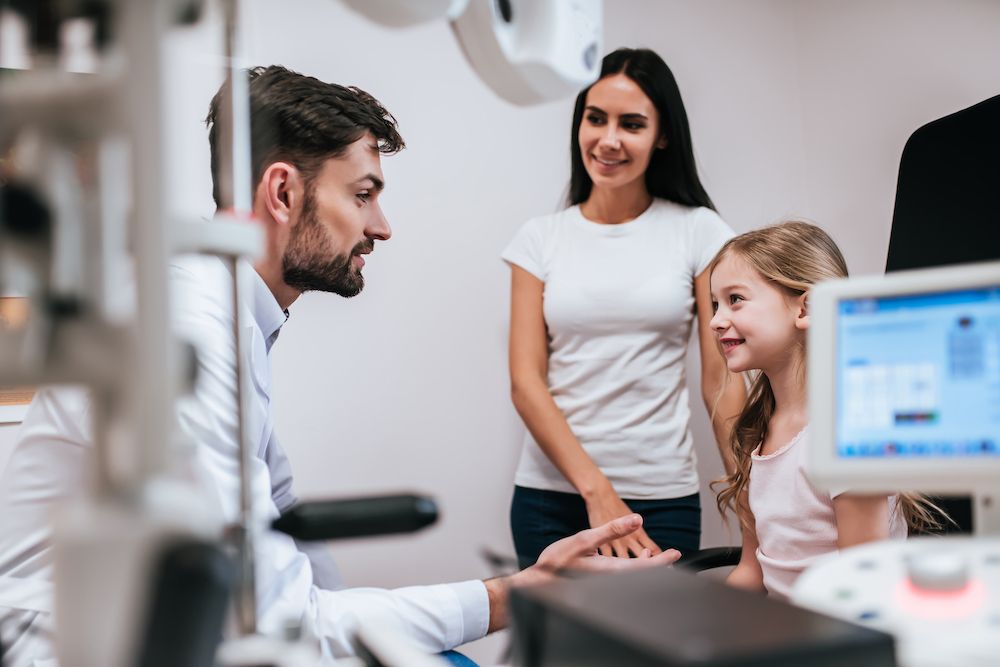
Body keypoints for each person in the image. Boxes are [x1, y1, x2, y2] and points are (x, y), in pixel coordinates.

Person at [0, 65, 680, 666]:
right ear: (283, 192)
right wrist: (515, 593)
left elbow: (288, 523)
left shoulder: (230, 313)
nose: (382, 226)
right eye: (362, 194)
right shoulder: (194, 333)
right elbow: (280, 618)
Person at [502, 48, 746, 567]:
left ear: (661, 136)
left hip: (661, 498)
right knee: (563, 650)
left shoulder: (699, 230)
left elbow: (720, 380)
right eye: (595, 119)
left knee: (657, 646)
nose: (608, 139)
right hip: (552, 498)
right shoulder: (539, 239)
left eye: (631, 124)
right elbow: (526, 382)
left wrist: (751, 501)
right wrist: (597, 491)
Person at [709, 221, 942, 599]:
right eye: (714, 304)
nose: (716, 320)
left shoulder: (848, 436)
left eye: (735, 299)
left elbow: (864, 592)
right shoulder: (757, 432)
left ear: (807, 307)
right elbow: (753, 572)